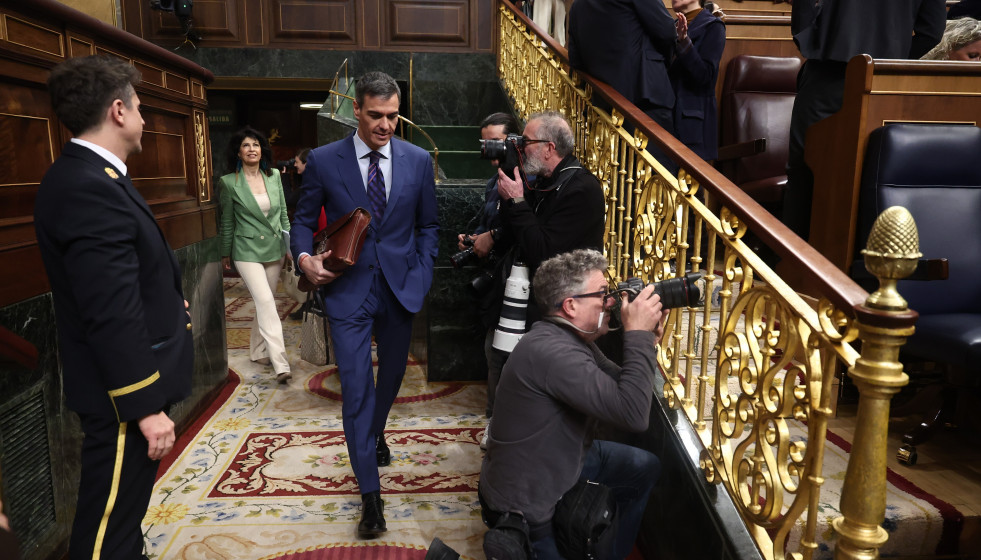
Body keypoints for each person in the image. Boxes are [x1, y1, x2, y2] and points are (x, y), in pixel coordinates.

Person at [34, 55, 193, 560]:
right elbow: (109, 311)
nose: (144, 119)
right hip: (120, 399)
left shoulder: (95, 176)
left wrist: (166, 300)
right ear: (119, 111)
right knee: (107, 529)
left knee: (123, 518)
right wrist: (144, 406)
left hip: (122, 387)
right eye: (140, 108)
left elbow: (121, 277)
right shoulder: (88, 187)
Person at [290, 71, 439, 539]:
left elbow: (428, 227)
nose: (385, 125)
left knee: (390, 380)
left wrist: (423, 272)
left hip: (400, 289)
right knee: (356, 390)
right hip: (346, 290)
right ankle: (371, 498)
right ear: (356, 110)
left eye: (393, 116)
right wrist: (305, 260)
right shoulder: (323, 160)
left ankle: (375, 432)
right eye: (376, 115)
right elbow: (301, 222)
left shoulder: (418, 160)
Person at [480, 249, 664, 560]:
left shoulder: (571, 340)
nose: (611, 302)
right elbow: (633, 414)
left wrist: (647, 341)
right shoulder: (554, 353)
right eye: (602, 294)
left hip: (563, 459)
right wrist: (637, 336)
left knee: (643, 467)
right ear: (570, 305)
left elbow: (624, 385)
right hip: (527, 505)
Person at [782, 0, 945, 239]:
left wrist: (810, 41)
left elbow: (804, 13)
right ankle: (862, 254)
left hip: (829, 72)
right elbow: (931, 32)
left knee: (807, 169)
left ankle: (793, 252)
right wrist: (892, 59)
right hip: (883, 80)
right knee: (875, 169)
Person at [487, 110, 605, 409]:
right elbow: (517, 231)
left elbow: (543, 253)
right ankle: (500, 424)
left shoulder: (581, 189)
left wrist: (517, 200)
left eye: (526, 142)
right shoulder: (544, 181)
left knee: (533, 386)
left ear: (549, 148)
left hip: (563, 309)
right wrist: (511, 196)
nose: (520, 147)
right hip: (528, 299)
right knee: (498, 357)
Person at [455, 112, 520, 439]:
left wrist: (492, 236)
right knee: (492, 353)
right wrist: (474, 239)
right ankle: (495, 423)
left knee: (501, 355)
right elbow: (486, 224)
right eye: (486, 143)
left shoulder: (527, 180)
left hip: (519, 282)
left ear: (515, 142)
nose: (490, 150)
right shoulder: (492, 184)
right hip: (494, 281)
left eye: (497, 142)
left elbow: (521, 227)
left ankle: (501, 427)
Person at [219, 127, 293, 384]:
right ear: (238, 152)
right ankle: (280, 362)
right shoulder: (229, 183)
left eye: (256, 145)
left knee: (266, 301)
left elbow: (283, 214)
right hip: (246, 250)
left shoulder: (274, 176)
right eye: (246, 145)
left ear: (262, 150)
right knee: (266, 301)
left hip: (274, 248)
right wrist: (225, 252)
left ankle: (258, 350)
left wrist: (290, 246)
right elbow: (227, 221)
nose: (252, 149)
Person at [567, 0, 677, 135]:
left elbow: (576, 61)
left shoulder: (577, 7)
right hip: (644, 98)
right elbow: (667, 32)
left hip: (603, 106)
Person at [668, 0, 726, 161]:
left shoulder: (713, 26)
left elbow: (705, 76)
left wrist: (684, 42)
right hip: (666, 118)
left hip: (692, 126)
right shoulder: (671, 25)